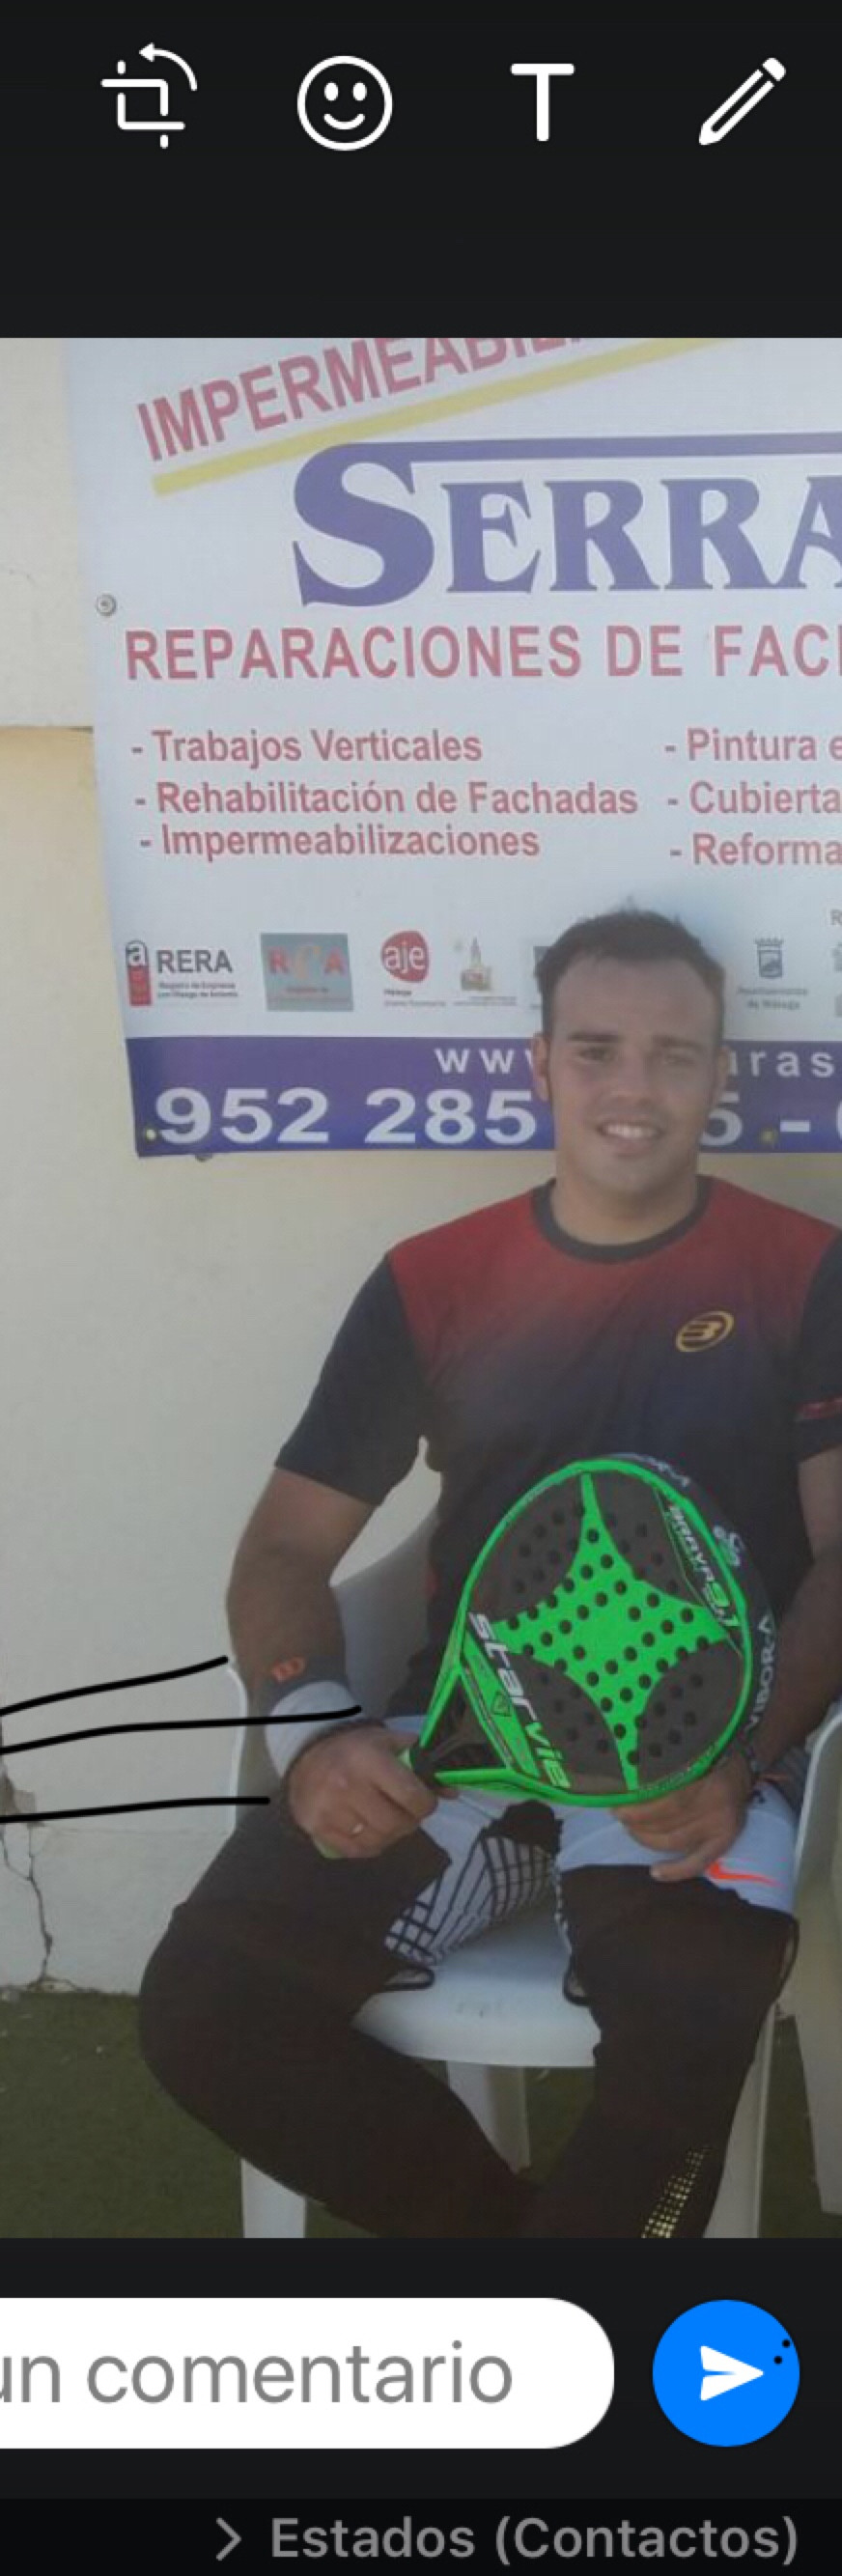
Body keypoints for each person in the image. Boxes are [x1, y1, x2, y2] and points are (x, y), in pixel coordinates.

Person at [139, 907, 842, 2237]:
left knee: (685, 2025)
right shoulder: (431, 1279)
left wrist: (748, 1753)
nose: (633, 1086)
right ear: (540, 1065)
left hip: (704, 1762)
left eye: (674, 1054)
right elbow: (285, 1548)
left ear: (719, 1076)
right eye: (596, 1049)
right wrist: (312, 1731)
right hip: (461, 1741)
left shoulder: (809, 1272)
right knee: (209, 2010)